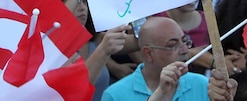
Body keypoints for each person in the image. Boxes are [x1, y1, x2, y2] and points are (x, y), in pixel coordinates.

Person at [101, 17, 236, 101]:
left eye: (185, 41)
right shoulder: (115, 95)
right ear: (148, 54)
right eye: (173, 45)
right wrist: (161, 94)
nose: (184, 50)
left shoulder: (202, 84)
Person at [51, 0, 128, 101]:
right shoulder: (48, 48)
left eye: (85, 1)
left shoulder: (96, 39)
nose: (82, 7)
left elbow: (141, 40)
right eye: (76, 0)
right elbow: (74, 91)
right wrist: (103, 50)